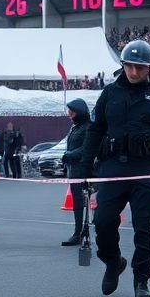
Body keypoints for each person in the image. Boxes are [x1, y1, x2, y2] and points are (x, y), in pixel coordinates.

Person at [77, 39, 150, 297]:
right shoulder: (109, 94)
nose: (134, 72)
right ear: (122, 66)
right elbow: (94, 130)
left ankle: (141, 279)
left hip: (144, 168)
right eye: (129, 66)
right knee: (102, 221)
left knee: (144, 226)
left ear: (149, 68)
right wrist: (84, 169)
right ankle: (113, 262)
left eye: (139, 67)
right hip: (112, 167)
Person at [60, 98, 91, 246]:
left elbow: (86, 148)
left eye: (71, 112)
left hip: (84, 170)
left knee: (81, 203)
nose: (69, 114)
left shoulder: (87, 127)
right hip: (74, 170)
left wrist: (69, 155)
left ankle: (80, 233)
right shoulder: (75, 127)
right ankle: (79, 231)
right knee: (78, 203)